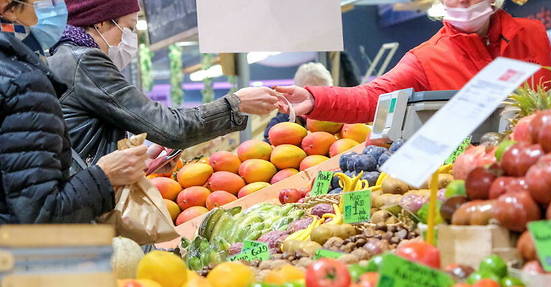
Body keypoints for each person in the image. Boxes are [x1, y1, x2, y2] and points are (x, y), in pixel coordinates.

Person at [47, 0, 280, 169]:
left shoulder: (63, 57)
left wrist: (137, 161)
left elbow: (84, 133)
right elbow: (169, 127)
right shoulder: (85, 61)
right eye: (127, 28)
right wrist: (236, 104)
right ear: (101, 23)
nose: (128, 38)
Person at [272, 0, 551, 123]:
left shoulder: (532, 34)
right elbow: (373, 97)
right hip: (470, 177)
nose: (462, 3)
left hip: (546, 160)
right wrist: (314, 98)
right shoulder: (425, 58)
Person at [0, 0, 146, 223]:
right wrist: (105, 175)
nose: (53, 4)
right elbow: (40, 213)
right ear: (8, 8)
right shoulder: (22, 82)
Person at [263, 62, 333, 142]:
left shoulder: (336, 119)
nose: (318, 103)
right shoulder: (281, 123)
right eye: (313, 97)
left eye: (324, 97)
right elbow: (269, 145)